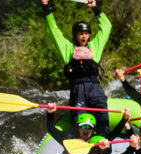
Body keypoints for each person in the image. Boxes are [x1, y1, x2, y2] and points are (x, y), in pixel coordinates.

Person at [41, 0, 112, 136]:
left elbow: (107, 27)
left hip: (95, 89)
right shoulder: (67, 49)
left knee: (103, 120)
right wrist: (45, 6)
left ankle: (103, 149)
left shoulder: (94, 47)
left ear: (89, 35)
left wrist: (95, 9)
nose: (83, 36)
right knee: (79, 123)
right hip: (77, 91)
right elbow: (53, 30)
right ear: (76, 35)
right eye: (80, 33)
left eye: (86, 33)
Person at [46, 103, 131, 154]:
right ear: (78, 127)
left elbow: (113, 135)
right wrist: (50, 114)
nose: (86, 130)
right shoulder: (68, 138)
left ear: (93, 129)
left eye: (89, 127)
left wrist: (124, 119)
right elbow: (51, 129)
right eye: (83, 127)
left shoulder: (95, 139)